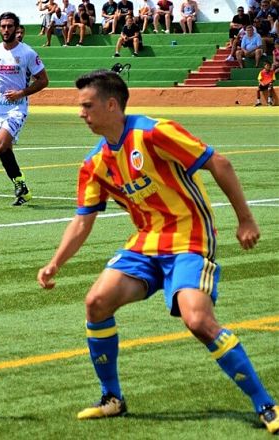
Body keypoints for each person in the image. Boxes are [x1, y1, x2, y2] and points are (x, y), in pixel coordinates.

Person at [36, 69, 279, 435]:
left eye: (87, 105)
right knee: (96, 302)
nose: (80, 113)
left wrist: (246, 220)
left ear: (112, 104)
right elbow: (83, 220)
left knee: (197, 320)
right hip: (147, 241)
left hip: (190, 238)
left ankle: (266, 404)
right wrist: (55, 263)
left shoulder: (153, 132)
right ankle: (111, 399)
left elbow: (219, 163)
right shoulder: (94, 163)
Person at [0, 11, 49, 206]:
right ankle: (21, 186)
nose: (6, 29)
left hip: (17, 107)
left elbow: (43, 80)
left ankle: (19, 184)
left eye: (10, 26)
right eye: (3, 26)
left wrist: (21, 93)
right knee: (3, 149)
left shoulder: (27, 53)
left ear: (16, 29)